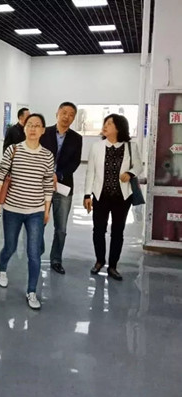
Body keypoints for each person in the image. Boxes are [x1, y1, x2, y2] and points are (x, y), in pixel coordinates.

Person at [0, 114, 54, 310]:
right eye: (29, 125)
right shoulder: (13, 150)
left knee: (34, 253)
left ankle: (32, 291)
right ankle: (2, 269)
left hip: (36, 211)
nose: (33, 128)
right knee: (10, 247)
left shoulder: (47, 155)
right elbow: (1, 176)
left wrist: (46, 209)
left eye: (37, 125)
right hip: (12, 209)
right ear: (24, 128)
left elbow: (47, 184)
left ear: (43, 130)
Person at [84, 114, 142, 281]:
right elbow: (90, 172)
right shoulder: (97, 147)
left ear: (119, 127)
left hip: (122, 197)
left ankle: (113, 266)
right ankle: (99, 261)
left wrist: (130, 173)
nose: (105, 126)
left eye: (110, 123)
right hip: (101, 195)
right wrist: (87, 194)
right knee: (98, 230)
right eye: (105, 122)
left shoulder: (130, 146)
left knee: (118, 231)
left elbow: (138, 165)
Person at [40, 102, 82, 275]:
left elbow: (75, 162)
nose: (67, 116)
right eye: (64, 112)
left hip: (63, 186)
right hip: (41, 185)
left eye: (71, 114)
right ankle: (36, 254)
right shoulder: (44, 133)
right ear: (56, 113)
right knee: (38, 223)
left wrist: (59, 174)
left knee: (61, 228)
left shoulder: (77, 138)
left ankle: (56, 259)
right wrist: (48, 173)